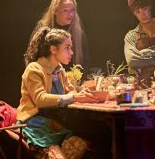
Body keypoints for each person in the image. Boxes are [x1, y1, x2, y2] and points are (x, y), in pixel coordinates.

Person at [17, 27, 99, 158]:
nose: (71, 52)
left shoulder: (59, 70)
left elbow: (70, 91)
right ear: (53, 49)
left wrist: (82, 92)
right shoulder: (34, 69)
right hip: (36, 126)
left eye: (71, 48)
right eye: (67, 48)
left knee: (92, 145)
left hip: (55, 124)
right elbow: (40, 99)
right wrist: (73, 97)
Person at [29, 0, 90, 81]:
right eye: (65, 10)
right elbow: (33, 57)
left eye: (72, 10)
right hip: (47, 80)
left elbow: (85, 61)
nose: (70, 14)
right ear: (55, 11)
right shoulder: (43, 30)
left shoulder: (78, 33)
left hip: (72, 83)